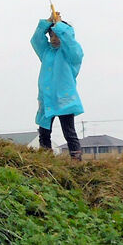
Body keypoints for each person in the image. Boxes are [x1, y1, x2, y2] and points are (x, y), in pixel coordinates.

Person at [31, 10, 84, 160]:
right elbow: (36, 40)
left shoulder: (71, 54)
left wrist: (60, 25)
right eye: (51, 35)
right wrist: (48, 22)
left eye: (58, 35)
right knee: (44, 130)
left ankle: (76, 158)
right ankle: (46, 157)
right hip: (46, 97)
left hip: (64, 98)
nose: (54, 39)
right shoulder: (46, 52)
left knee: (69, 130)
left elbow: (70, 42)